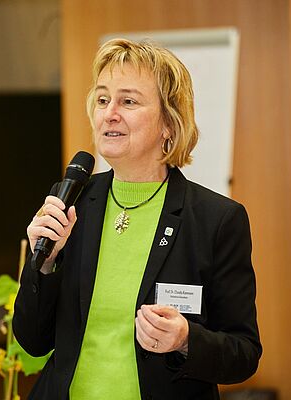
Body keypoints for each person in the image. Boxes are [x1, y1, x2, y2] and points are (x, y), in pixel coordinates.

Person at [13, 38, 261, 400]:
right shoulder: (73, 203)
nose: (110, 113)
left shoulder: (216, 220)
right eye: (102, 100)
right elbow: (33, 340)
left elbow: (243, 353)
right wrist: (44, 264)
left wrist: (186, 340)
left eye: (128, 101)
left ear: (169, 124)